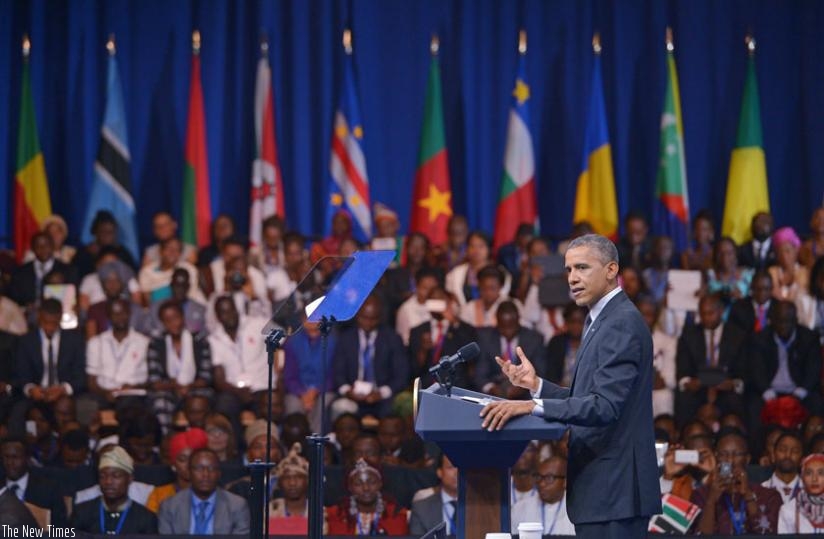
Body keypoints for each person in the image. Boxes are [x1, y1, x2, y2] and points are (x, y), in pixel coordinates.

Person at [477, 233, 661, 538]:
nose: (573, 278)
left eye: (582, 268)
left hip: (615, 492)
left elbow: (604, 406)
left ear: (611, 270)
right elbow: (586, 398)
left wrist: (530, 406)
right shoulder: (601, 320)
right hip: (604, 493)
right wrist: (535, 385)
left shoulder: (621, 323)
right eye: (568, 270)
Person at [332, 296, 409, 418]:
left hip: (382, 397)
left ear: (379, 318)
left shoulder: (392, 338)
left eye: (372, 319)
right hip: (352, 396)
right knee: (340, 407)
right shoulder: (345, 338)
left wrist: (381, 393)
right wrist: (348, 391)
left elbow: (401, 375)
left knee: (395, 409)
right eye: (364, 318)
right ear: (357, 315)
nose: (368, 323)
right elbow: (338, 373)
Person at [691, 428, 781, 534]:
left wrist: (748, 495)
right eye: (724, 454)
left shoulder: (768, 496)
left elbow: (766, 533)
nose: (730, 461)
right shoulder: (701, 495)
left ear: (747, 459)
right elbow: (700, 535)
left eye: (737, 454)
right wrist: (711, 501)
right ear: (716, 457)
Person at [147, 300, 213, 434]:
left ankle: (199, 440)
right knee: (160, 402)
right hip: (168, 391)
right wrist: (176, 387)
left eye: (176, 318)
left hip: (195, 389)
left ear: (183, 317)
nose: (173, 323)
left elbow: (206, 378)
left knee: (199, 402)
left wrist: (188, 387)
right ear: (162, 323)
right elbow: (154, 381)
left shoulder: (199, 341)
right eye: (167, 320)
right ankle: (166, 443)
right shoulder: (156, 344)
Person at [157, 448, 250, 534]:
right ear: (189, 472)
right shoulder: (169, 506)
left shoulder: (237, 505)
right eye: (199, 468)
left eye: (212, 468)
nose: (205, 474)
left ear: (219, 473)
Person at [70, 446, 158, 533]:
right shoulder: (82, 512)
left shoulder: (146, 518)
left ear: (130, 478)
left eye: (116, 476)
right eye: (102, 476)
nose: (108, 481)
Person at [326, 458, 409, 535]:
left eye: (372, 482)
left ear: (380, 484)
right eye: (358, 484)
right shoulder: (334, 515)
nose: (366, 488)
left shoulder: (398, 514)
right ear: (349, 487)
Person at [1, 437, 67, 526]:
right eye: (6, 457)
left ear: (27, 458)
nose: (10, 462)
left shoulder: (49, 490)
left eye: (15, 457)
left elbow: (60, 528)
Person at [145, 428, 209, 513]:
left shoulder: (214, 494)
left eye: (194, 458)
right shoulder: (158, 495)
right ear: (173, 463)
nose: (189, 464)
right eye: (183, 459)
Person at [268, 442, 315, 534]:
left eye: (298, 477)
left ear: (307, 481)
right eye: (286, 478)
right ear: (279, 483)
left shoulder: (319, 512)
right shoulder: (269, 511)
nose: (292, 483)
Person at [408, 454, 458, 536]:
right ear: (439, 472)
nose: (457, 472)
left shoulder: (480, 507)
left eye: (461, 467)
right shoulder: (421, 508)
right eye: (451, 467)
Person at [778, 453, 824, 533]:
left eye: (821, 473)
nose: (814, 479)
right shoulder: (788, 510)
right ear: (802, 477)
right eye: (809, 473)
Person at [761, 431, 803, 504]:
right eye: (783, 450)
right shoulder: (762, 490)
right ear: (773, 456)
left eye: (795, 451)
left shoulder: (810, 492)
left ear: (802, 460)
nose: (788, 455)